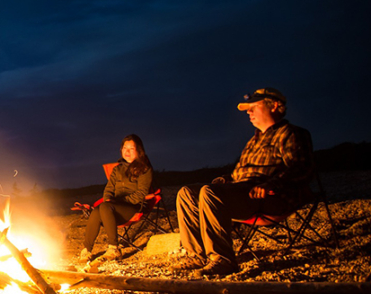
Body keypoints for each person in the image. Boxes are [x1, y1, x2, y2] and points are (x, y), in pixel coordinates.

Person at [175, 87, 314, 277]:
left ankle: (222, 260)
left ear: (273, 106)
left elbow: (300, 168)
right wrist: (226, 179)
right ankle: (197, 255)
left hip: (270, 196)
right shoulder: (253, 141)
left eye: (253, 107)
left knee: (210, 192)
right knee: (186, 192)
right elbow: (240, 173)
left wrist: (271, 184)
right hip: (243, 191)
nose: (248, 112)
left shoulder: (291, 134)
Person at [79, 134, 154, 266]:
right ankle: (87, 249)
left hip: (133, 206)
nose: (127, 151)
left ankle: (114, 248)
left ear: (139, 150)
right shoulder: (117, 169)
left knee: (105, 207)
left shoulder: (145, 169)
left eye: (132, 148)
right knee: (98, 210)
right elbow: (108, 189)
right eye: (125, 148)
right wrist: (108, 199)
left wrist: (118, 202)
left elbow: (141, 193)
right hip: (113, 208)